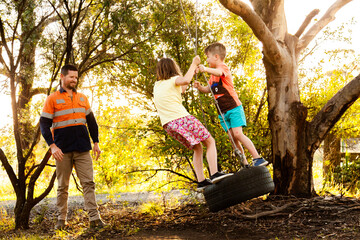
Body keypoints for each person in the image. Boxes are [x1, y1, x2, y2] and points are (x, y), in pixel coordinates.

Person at [40, 64, 106, 230]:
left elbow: (91, 122)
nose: (74, 80)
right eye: (71, 77)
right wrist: (52, 146)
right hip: (62, 150)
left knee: (89, 183)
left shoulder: (83, 98)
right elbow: (44, 124)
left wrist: (96, 142)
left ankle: (94, 219)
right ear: (62, 77)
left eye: (76, 78)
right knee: (62, 186)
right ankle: (61, 221)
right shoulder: (52, 99)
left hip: (83, 148)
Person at [153, 56, 232, 190]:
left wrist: (192, 71)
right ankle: (214, 173)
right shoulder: (173, 80)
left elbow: (182, 88)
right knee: (210, 141)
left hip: (168, 125)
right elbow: (185, 80)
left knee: (197, 147)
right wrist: (193, 64)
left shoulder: (157, 85)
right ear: (173, 69)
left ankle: (201, 180)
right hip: (181, 118)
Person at [194, 42, 268, 167]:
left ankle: (257, 157)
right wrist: (200, 87)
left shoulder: (223, 68)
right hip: (222, 112)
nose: (206, 60)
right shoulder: (212, 76)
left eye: (208, 57)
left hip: (233, 108)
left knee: (238, 134)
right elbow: (209, 89)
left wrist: (205, 69)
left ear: (216, 57)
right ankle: (244, 163)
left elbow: (220, 73)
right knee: (233, 139)